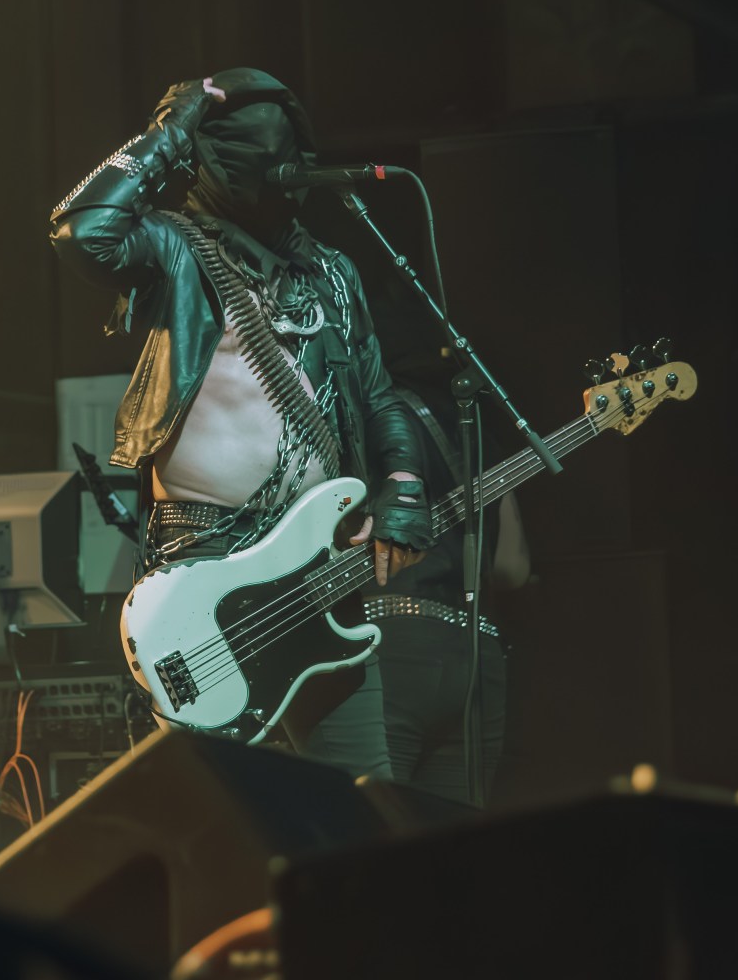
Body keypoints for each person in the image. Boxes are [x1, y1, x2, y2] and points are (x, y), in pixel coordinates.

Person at [49, 68, 433, 779]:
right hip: (205, 562)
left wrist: (403, 485)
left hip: (318, 572)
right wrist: (171, 132)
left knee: (365, 802)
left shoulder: (331, 272)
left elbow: (380, 398)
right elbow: (82, 231)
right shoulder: (172, 246)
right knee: (225, 809)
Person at [364, 353, 531, 806]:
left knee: (372, 827)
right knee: (449, 837)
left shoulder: (360, 415)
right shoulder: (472, 423)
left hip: (388, 647)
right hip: (476, 656)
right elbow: (511, 568)